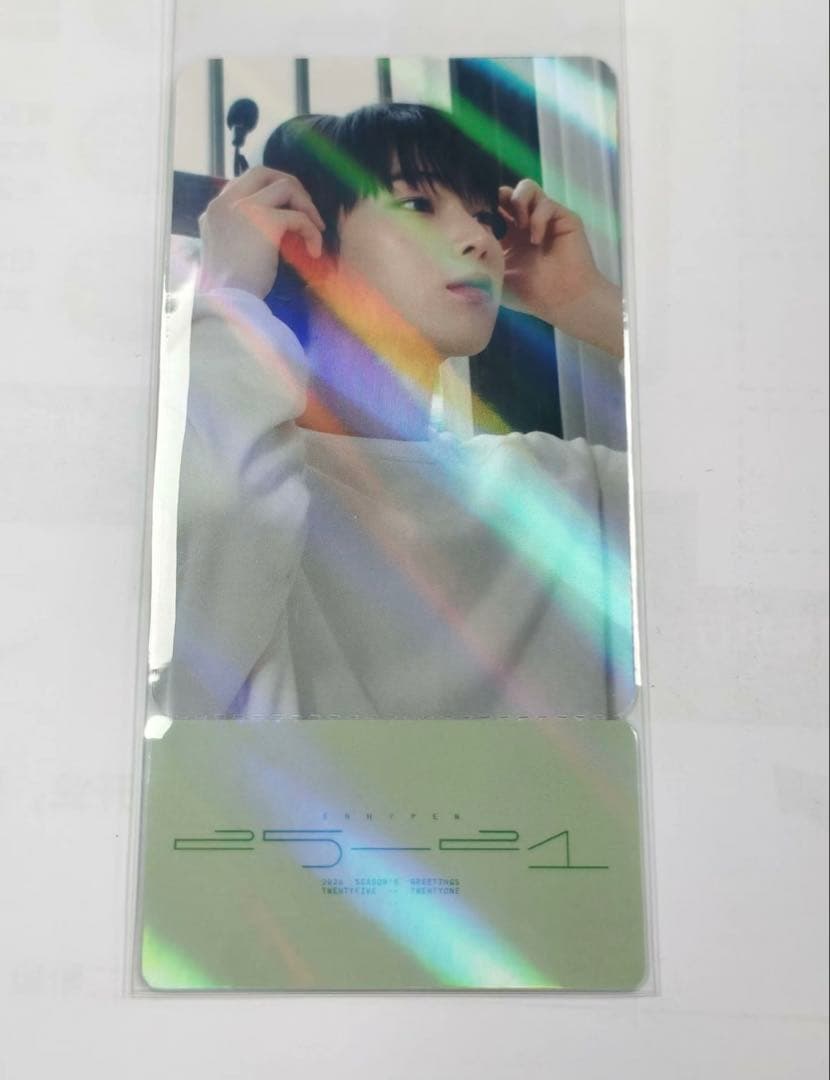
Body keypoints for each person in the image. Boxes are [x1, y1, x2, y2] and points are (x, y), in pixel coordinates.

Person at [157, 103, 633, 723]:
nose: (480, 240)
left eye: (485, 217)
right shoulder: (253, 475)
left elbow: (739, 506)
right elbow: (210, 515)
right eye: (418, 205)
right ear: (305, 244)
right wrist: (226, 294)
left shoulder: (554, 488)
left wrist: (590, 303)